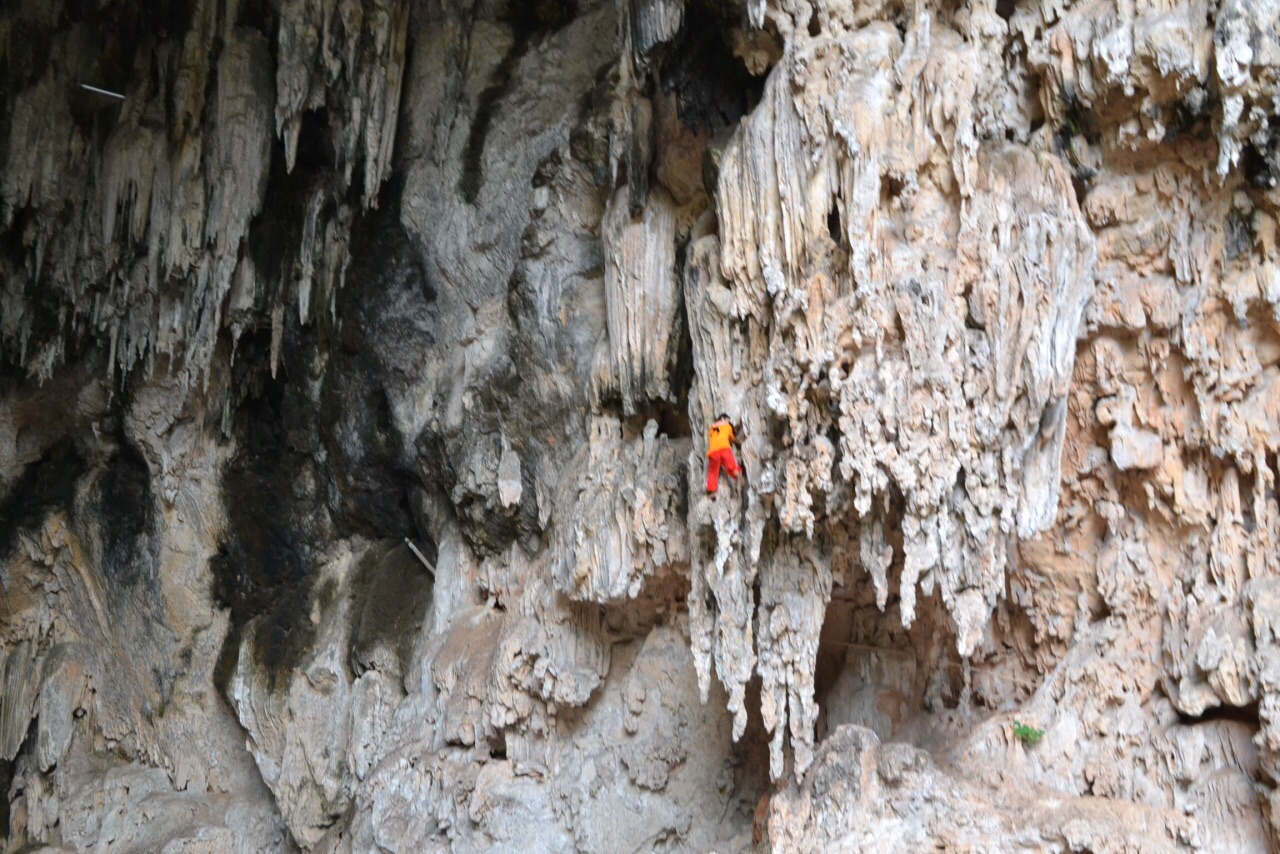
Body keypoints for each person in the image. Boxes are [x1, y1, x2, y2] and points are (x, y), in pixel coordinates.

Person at [705, 412, 742, 494]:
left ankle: (711, 491)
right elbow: (731, 437)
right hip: (724, 448)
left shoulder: (711, 428)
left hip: (713, 451)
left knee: (713, 472)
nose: (728, 422)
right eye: (727, 420)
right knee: (731, 465)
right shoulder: (727, 426)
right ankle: (737, 473)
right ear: (722, 419)